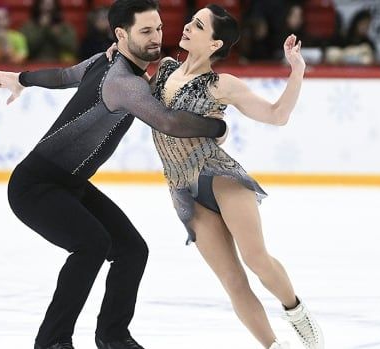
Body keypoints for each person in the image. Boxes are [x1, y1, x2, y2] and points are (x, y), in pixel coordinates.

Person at [0, 1, 226, 349]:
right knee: (91, 244)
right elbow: (168, 122)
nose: (156, 38)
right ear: (121, 35)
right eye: (145, 31)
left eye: (158, 28)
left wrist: (22, 79)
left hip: (69, 184)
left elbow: (64, 76)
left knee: (132, 250)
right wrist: (218, 126)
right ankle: (52, 341)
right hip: (35, 187)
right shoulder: (123, 81)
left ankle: (113, 337)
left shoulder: (103, 60)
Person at [106, 4, 323, 349]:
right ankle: (274, 346)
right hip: (182, 189)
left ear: (215, 44)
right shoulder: (162, 69)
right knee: (232, 280)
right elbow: (130, 91)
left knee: (255, 258)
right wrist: (117, 53)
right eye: (191, 21)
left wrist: (296, 69)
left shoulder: (223, 84)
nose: (188, 27)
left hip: (219, 175)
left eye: (198, 26)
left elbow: (277, 115)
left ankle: (295, 310)